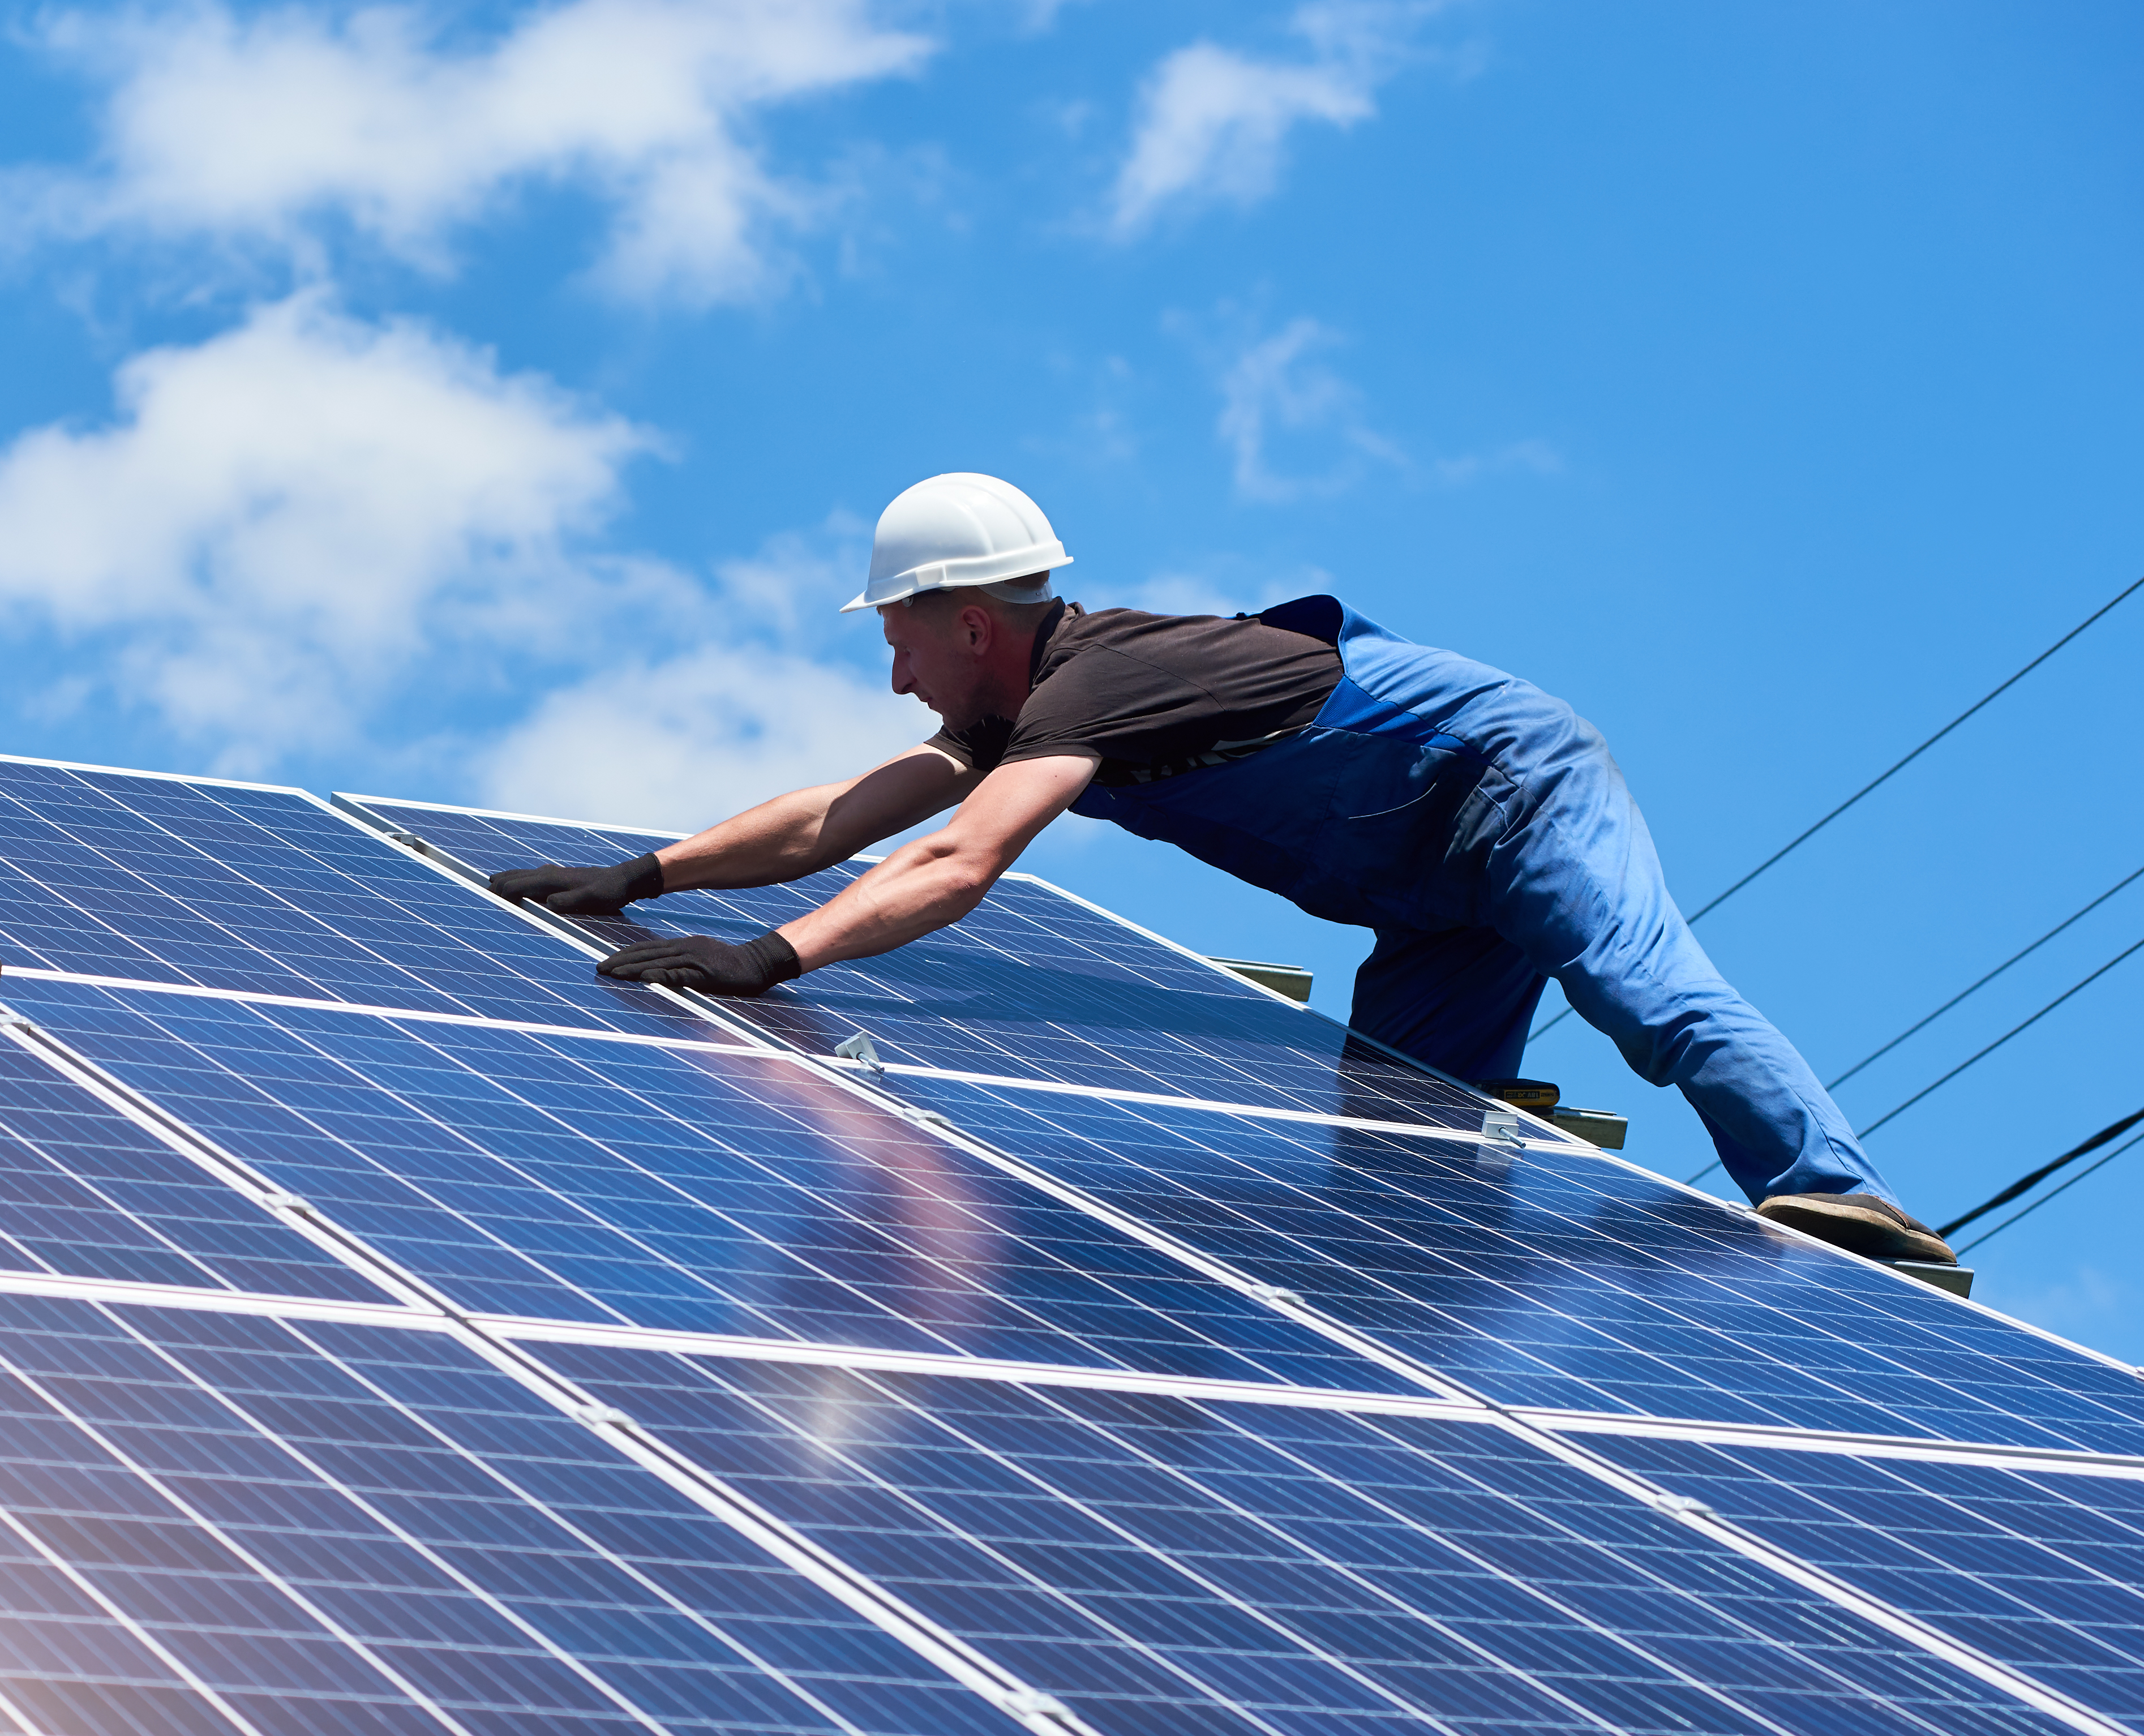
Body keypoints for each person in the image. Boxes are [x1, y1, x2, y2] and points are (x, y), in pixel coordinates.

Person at [487, 471, 1955, 1266]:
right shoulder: (1019, 709)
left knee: (1639, 991)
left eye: (897, 636)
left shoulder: (1090, 692)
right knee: (1401, 1186)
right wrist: (648, 875)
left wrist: (774, 962)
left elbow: (959, 864)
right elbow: (838, 821)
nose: (891, 675)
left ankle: (1839, 1199)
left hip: (1506, 784)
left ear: (970, 624)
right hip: (1422, 892)